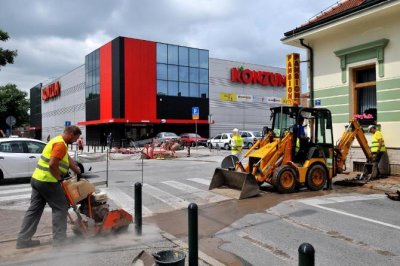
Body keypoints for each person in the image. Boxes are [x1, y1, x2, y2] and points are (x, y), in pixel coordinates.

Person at [16, 126, 82, 249]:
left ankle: (23, 240)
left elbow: (67, 158)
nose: (75, 141)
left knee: (34, 210)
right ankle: (60, 241)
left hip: (37, 179)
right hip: (48, 181)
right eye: (76, 138)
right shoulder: (61, 145)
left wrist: (77, 171)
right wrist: (59, 178)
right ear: (71, 134)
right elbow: (52, 164)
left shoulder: (57, 140)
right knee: (61, 207)